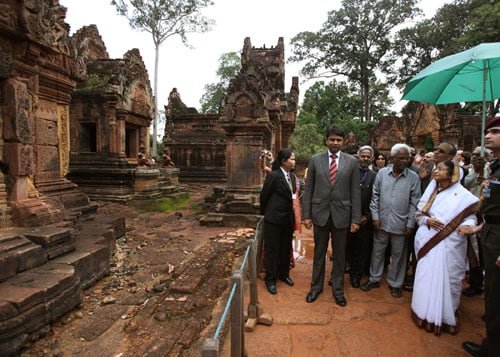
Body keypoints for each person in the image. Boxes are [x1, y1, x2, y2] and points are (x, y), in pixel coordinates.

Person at [411, 161, 480, 335]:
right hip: (429, 241)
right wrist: (428, 220)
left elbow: (471, 217)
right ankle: (422, 312)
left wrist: (468, 225)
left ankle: (446, 317)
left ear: (452, 174)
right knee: (426, 277)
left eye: (441, 169)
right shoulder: (431, 191)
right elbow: (418, 214)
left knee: (449, 280)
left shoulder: (464, 196)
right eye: (437, 168)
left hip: (452, 243)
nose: (436, 171)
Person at [302, 125, 361, 306]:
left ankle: (338, 290)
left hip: (342, 214)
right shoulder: (315, 160)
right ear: (326, 140)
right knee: (319, 253)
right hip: (320, 213)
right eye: (332, 139)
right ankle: (315, 288)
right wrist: (306, 215)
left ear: (343, 142)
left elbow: (355, 192)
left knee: (340, 255)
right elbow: (309, 188)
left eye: (338, 140)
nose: (335, 142)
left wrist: (355, 219)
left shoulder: (351, 162)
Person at [361, 143, 421, 298]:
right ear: (393, 158)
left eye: (407, 158)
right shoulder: (381, 173)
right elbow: (375, 196)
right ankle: (374, 279)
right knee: (378, 252)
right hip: (381, 222)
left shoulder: (413, 177)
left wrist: (410, 224)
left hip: (401, 225)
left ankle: (395, 283)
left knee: (399, 256)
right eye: (401, 158)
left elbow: (415, 202)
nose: (405, 161)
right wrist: (375, 217)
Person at [463, 115, 500, 357]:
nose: (488, 135)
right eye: (487, 131)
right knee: (492, 292)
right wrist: (480, 226)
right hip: (490, 230)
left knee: (497, 295)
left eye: (495, 131)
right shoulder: (495, 166)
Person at [259, 148, 297, 295]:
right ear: (283, 161)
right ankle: (271, 279)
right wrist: (266, 214)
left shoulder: (292, 177)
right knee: (272, 250)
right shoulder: (274, 176)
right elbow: (264, 196)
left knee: (285, 247)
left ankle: (284, 274)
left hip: (287, 218)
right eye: (292, 159)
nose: (294, 161)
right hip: (273, 219)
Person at [346, 145, 377, 288]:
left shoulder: (375, 176)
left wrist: (368, 216)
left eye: (368, 156)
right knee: (346, 247)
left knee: (362, 248)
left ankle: (356, 275)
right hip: (347, 217)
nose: (365, 158)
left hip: (365, 219)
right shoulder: (349, 172)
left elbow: (377, 199)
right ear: (358, 157)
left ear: (372, 159)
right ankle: (343, 270)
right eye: (363, 156)